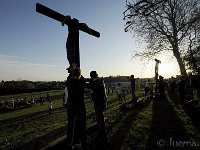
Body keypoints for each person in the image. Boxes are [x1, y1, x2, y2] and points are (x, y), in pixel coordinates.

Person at [65, 67, 87, 150]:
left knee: (70, 126)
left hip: (71, 107)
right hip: (80, 107)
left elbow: (69, 77)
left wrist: (73, 69)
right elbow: (82, 78)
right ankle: (84, 144)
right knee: (82, 126)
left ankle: (69, 144)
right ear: (80, 74)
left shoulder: (69, 82)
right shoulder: (82, 82)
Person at [88, 71, 108, 148]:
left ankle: (103, 138)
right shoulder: (100, 82)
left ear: (91, 76)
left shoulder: (93, 83)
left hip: (98, 103)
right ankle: (102, 136)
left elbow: (86, 85)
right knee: (100, 119)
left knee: (100, 121)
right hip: (102, 102)